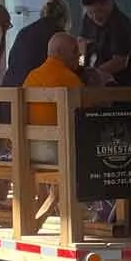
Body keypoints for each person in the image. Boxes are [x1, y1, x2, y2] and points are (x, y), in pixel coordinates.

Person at [23, 31, 83, 163]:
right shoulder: (70, 79)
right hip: (57, 150)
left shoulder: (31, 76)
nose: (79, 54)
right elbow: (84, 116)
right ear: (60, 52)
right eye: (74, 51)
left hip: (28, 149)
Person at [4, 0, 72, 87]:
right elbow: (68, 64)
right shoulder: (58, 37)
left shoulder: (24, 32)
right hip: (34, 91)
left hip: (10, 88)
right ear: (65, 17)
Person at [80, 0, 131, 87]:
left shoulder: (121, 24)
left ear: (108, 3)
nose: (95, 18)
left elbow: (120, 61)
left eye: (99, 11)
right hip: (96, 85)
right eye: (90, 13)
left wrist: (93, 74)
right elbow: (83, 41)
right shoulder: (88, 19)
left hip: (121, 87)